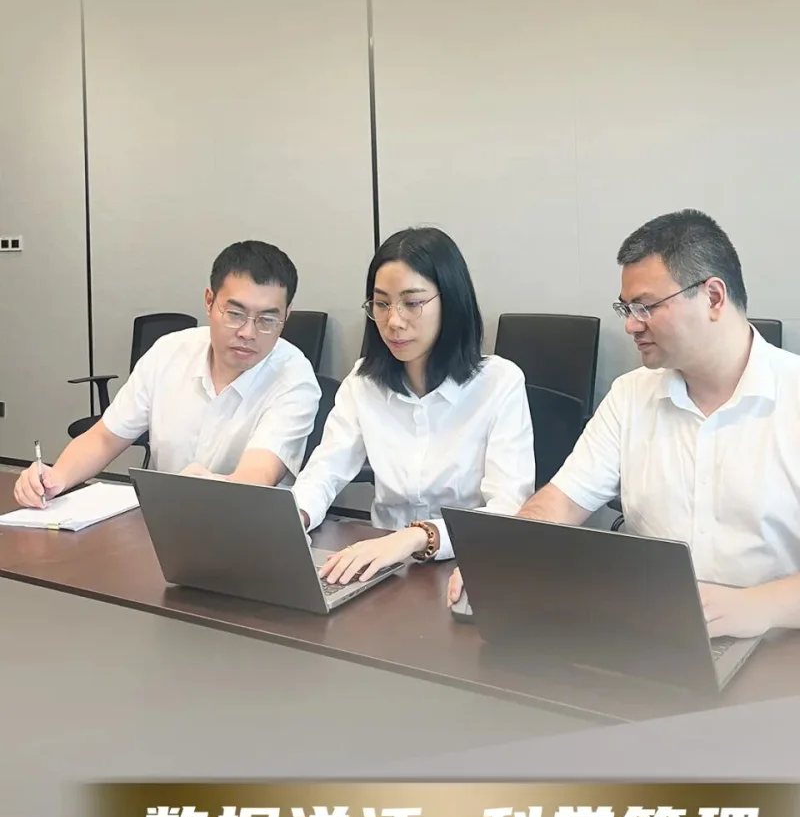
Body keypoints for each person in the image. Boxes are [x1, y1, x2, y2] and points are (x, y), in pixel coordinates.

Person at [447, 209, 800, 638]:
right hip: (658, 638)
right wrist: (503, 557)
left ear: (713, 297)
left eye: (645, 307)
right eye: (626, 309)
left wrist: (756, 607)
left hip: (791, 643)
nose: (631, 326)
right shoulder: (630, 396)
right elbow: (559, 504)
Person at [293, 226, 534, 585]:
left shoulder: (499, 383)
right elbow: (324, 471)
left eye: (412, 303)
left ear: (450, 302)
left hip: (469, 567)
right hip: (383, 569)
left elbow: (509, 507)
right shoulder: (363, 381)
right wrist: (296, 516)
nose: (393, 321)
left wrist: (418, 536)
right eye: (381, 304)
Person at [14, 240, 321, 506]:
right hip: (162, 520)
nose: (247, 332)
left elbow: (257, 475)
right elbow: (106, 438)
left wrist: (208, 488)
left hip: (247, 528)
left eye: (267, 320)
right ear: (209, 301)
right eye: (235, 314)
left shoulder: (294, 378)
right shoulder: (169, 352)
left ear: (286, 315)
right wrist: (55, 479)